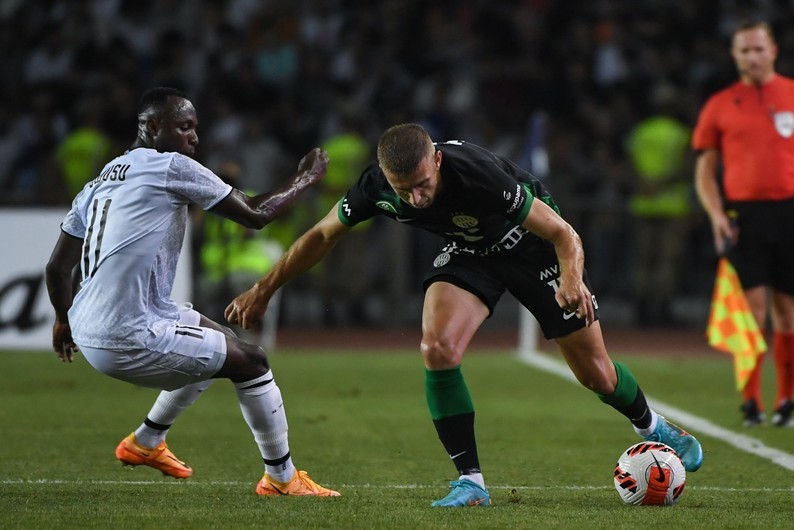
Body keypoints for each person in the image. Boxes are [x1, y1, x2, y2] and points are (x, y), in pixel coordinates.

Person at [225, 123, 704, 507]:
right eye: (403, 191)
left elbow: (563, 233)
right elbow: (321, 235)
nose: (416, 199)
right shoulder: (375, 186)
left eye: (423, 185)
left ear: (436, 160)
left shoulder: (477, 175)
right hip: (471, 252)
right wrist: (264, 289)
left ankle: (653, 426)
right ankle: (471, 482)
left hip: (533, 249)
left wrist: (572, 279)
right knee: (437, 347)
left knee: (597, 375)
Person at [45, 87, 339, 497]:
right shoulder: (171, 166)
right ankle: (281, 479)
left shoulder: (99, 181)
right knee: (253, 362)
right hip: (129, 333)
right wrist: (305, 176)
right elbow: (255, 214)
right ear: (151, 127)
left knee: (221, 343)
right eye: (184, 127)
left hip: (92, 324)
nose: (194, 137)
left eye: (195, 127)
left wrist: (63, 319)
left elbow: (58, 267)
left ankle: (146, 442)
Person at [693, 21, 794, 428]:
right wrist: (717, 214)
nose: (752, 56)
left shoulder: (791, 94)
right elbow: (704, 172)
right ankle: (751, 400)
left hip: (789, 212)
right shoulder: (720, 104)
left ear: (773, 50)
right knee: (752, 311)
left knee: (787, 310)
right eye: (744, 50)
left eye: (758, 48)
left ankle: (786, 400)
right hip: (744, 217)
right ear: (735, 55)